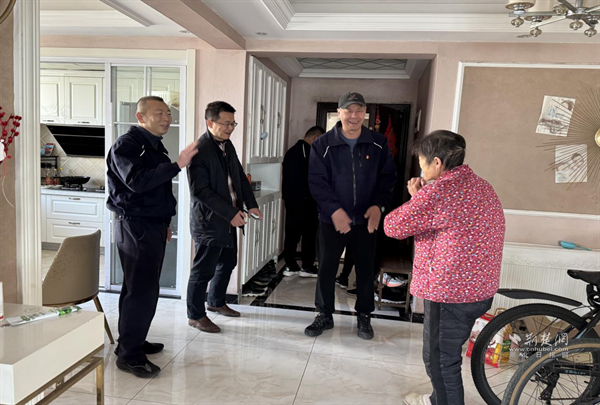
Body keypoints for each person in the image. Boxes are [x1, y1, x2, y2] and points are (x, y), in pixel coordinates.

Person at [383, 130, 506, 405]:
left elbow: (393, 226)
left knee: (440, 360)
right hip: (480, 289)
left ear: (437, 163)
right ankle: (436, 399)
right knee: (447, 353)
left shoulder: (440, 191)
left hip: (450, 292)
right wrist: (424, 196)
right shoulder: (482, 186)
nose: (421, 170)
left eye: (422, 163)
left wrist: (417, 197)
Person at [107, 96, 198, 378]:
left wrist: (165, 222)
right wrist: (178, 164)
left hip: (151, 225)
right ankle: (129, 356)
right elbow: (137, 182)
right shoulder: (127, 145)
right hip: (135, 226)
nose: (166, 118)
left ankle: (131, 341)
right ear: (141, 117)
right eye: (159, 113)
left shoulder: (153, 145)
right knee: (141, 291)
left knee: (139, 288)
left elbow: (157, 189)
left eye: (168, 113)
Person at [306, 92, 397, 340]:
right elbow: (316, 181)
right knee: (326, 268)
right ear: (340, 112)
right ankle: (324, 314)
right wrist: (334, 210)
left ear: (365, 112)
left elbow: (388, 178)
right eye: (348, 110)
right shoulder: (323, 144)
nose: (354, 116)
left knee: (365, 270)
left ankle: (364, 316)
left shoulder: (378, 143)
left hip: (365, 221)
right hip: (331, 220)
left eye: (359, 110)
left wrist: (378, 206)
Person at [187, 101, 262, 333]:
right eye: (226, 123)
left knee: (228, 262)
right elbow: (200, 191)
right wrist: (230, 214)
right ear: (210, 123)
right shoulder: (199, 150)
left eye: (233, 124)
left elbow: (239, 176)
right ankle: (195, 315)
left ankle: (216, 301)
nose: (231, 128)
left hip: (230, 217)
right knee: (203, 270)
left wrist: (251, 205)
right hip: (209, 221)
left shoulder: (227, 145)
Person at [282, 125, 325, 278]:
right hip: (304, 201)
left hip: (294, 200)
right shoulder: (305, 152)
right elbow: (307, 179)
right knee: (307, 235)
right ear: (315, 138)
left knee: (294, 233)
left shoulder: (292, 151)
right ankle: (305, 266)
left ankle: (292, 265)